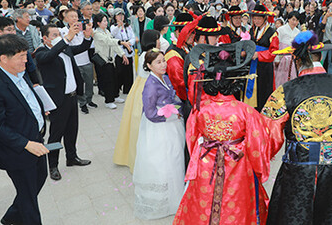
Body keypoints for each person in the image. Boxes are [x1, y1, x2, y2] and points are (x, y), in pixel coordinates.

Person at [261, 31, 332, 224]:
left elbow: (269, 135)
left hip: (299, 167)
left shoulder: (285, 91)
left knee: (295, 213)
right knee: (330, 214)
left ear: (297, 61)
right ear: (320, 57)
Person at [174, 40, 275, 224]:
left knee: (203, 204)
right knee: (235, 206)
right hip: (237, 164)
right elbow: (257, 147)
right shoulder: (246, 111)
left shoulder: (201, 109)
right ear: (236, 81)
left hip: (206, 161)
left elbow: (191, 138)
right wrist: (260, 171)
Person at [0, 34, 50, 225]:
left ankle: (10, 217)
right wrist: (26, 144)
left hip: (36, 139)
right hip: (18, 150)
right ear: (3, 58)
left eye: (26, 55)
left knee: (39, 180)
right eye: (21, 56)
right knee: (29, 199)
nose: (26, 60)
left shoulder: (19, 71)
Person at [34, 24, 93, 181]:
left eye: (59, 34)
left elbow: (81, 48)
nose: (58, 37)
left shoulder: (65, 48)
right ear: (45, 38)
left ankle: (72, 157)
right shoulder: (41, 52)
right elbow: (50, 56)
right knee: (55, 134)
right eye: (54, 35)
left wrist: (87, 36)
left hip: (72, 97)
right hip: (57, 100)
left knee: (72, 130)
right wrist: (66, 39)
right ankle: (53, 165)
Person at [132, 49, 185, 219]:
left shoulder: (166, 78)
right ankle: (162, 202)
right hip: (159, 128)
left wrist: (178, 108)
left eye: (164, 61)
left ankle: (175, 198)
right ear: (149, 66)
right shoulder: (150, 85)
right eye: (158, 62)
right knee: (162, 161)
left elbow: (173, 97)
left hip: (172, 125)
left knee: (175, 158)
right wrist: (170, 115)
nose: (163, 65)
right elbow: (150, 113)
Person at [113, 29, 161, 169]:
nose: (159, 41)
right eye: (157, 39)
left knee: (135, 124)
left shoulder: (143, 54)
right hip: (148, 90)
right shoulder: (151, 56)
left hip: (139, 88)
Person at [59, 9, 96, 114]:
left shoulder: (82, 29)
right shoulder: (63, 31)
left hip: (86, 60)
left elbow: (89, 44)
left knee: (89, 83)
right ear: (66, 18)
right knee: (79, 84)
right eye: (71, 16)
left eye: (76, 16)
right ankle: (82, 103)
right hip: (75, 63)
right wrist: (73, 33)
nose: (75, 18)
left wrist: (88, 34)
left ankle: (89, 100)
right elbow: (67, 47)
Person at [245, 4, 279, 110]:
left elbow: (273, 52)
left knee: (264, 91)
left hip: (265, 67)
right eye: (255, 18)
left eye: (259, 18)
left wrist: (259, 55)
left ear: (265, 18)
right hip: (253, 65)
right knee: (253, 90)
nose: (256, 21)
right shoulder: (252, 30)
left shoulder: (272, 33)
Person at [92, 13, 129, 109]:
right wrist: (121, 42)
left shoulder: (107, 31)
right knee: (108, 81)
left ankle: (115, 96)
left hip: (111, 60)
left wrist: (122, 54)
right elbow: (108, 41)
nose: (106, 22)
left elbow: (114, 45)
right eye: (104, 21)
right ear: (98, 23)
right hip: (103, 61)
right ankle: (109, 100)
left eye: (106, 20)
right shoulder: (96, 34)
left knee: (114, 79)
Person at [110, 8, 136, 96]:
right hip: (119, 50)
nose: (121, 17)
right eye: (118, 15)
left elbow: (133, 37)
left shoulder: (128, 26)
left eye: (122, 15)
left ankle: (128, 89)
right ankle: (117, 88)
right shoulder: (113, 27)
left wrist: (129, 43)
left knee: (129, 71)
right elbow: (112, 35)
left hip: (128, 49)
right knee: (119, 71)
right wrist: (118, 26)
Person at [274, 11, 300, 87]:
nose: (295, 22)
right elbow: (276, 45)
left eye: (297, 20)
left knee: (291, 78)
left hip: (292, 59)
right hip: (281, 58)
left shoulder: (298, 32)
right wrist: (276, 59)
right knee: (280, 79)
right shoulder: (281, 29)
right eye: (293, 19)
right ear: (288, 19)